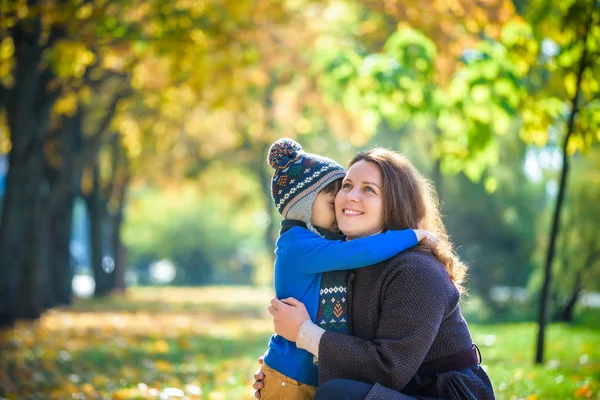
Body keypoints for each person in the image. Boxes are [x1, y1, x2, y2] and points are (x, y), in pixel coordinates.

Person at [255, 147, 495, 400]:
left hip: (442, 394)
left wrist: (304, 333)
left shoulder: (416, 269)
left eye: (369, 189)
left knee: (337, 395)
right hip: (395, 390)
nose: (350, 197)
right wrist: (282, 374)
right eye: (346, 186)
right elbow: (348, 349)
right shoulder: (344, 263)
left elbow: (388, 369)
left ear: (395, 203)